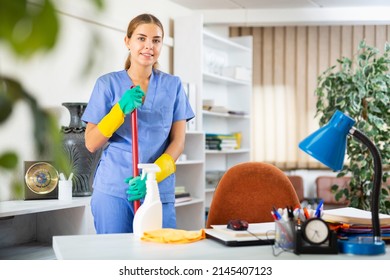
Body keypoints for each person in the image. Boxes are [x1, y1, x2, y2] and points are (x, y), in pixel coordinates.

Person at [81, 13, 195, 234]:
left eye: (156, 40)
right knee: (115, 258)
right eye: (141, 38)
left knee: (160, 259)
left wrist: (152, 177)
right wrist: (119, 110)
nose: (148, 46)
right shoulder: (107, 84)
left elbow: (178, 143)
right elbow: (91, 143)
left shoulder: (173, 85)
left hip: (157, 189)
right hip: (114, 189)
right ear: (128, 41)